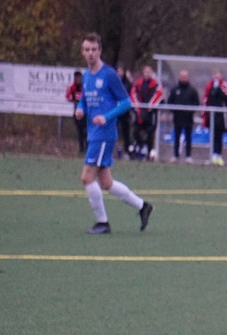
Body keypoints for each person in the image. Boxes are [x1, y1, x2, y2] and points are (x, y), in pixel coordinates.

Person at [75, 33, 153, 235]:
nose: (91, 53)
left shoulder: (109, 74)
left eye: (94, 50)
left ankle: (103, 223)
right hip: (94, 132)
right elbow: (83, 99)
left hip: (104, 134)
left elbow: (127, 102)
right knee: (106, 182)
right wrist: (80, 109)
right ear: (82, 52)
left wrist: (106, 117)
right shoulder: (86, 75)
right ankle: (143, 206)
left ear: (100, 51)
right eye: (87, 50)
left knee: (86, 177)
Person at [130, 64, 164, 161]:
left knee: (150, 133)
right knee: (136, 131)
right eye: (145, 72)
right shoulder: (139, 83)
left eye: (149, 72)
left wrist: (150, 107)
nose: (147, 74)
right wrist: (137, 107)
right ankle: (139, 148)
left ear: (152, 73)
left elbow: (159, 94)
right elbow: (133, 94)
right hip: (140, 112)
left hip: (151, 113)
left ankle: (149, 152)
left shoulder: (156, 84)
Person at [167, 69, 200, 163]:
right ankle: (175, 156)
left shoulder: (192, 90)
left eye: (185, 77)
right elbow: (170, 102)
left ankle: (188, 156)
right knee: (177, 137)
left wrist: (190, 112)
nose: (183, 78)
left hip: (188, 119)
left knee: (188, 137)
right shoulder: (175, 90)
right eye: (182, 77)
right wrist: (174, 111)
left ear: (187, 78)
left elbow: (196, 103)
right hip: (177, 118)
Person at [203, 69, 227, 166]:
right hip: (212, 115)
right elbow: (207, 98)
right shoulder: (210, 85)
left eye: (217, 74)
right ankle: (213, 156)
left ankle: (219, 156)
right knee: (213, 135)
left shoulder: (225, 85)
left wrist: (219, 89)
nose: (216, 76)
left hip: (221, 115)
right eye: (214, 74)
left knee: (219, 136)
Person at [116, 65, 134, 159]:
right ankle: (112, 151)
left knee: (126, 132)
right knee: (114, 132)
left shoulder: (128, 84)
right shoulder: (113, 82)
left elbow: (131, 96)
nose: (119, 73)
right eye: (118, 70)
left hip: (125, 112)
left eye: (121, 70)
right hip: (115, 111)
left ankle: (127, 151)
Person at [66, 71, 86, 154]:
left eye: (79, 77)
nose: (78, 79)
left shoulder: (84, 87)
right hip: (76, 112)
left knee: (86, 131)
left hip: (86, 112)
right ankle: (81, 149)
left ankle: (87, 148)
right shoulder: (72, 87)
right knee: (80, 131)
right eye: (76, 77)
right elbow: (68, 96)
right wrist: (73, 99)